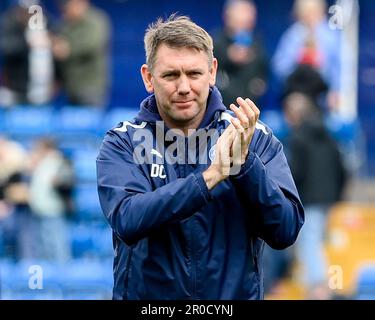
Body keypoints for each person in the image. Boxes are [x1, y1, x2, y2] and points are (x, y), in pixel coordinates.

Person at [96, 15, 304, 300]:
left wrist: (244, 166)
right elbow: (128, 219)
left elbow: (286, 230)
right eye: (171, 75)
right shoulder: (123, 141)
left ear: (212, 72)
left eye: (194, 74)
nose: (184, 87)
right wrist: (210, 177)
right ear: (148, 77)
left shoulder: (253, 137)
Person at [283, 92, 347, 299]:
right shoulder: (329, 135)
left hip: (308, 199)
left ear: (293, 114)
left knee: (309, 241)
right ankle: (314, 284)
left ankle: (319, 289)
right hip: (328, 198)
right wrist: (337, 194)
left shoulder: (298, 138)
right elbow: (342, 168)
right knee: (316, 239)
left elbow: (295, 172)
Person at [272, 0, 341, 111]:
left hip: (322, 96)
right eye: (306, 13)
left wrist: (335, 91)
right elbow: (279, 68)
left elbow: (339, 70)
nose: (310, 17)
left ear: (321, 12)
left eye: (313, 12)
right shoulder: (292, 36)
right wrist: (299, 58)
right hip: (297, 91)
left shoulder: (331, 37)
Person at [51, 0, 111, 107]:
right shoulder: (66, 23)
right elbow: (56, 45)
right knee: (72, 121)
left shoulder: (96, 20)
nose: (67, 9)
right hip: (70, 87)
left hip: (91, 87)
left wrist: (67, 49)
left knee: (91, 121)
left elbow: (91, 45)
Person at [214, 0, 268, 106]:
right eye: (241, 15)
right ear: (228, 17)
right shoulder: (217, 41)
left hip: (251, 105)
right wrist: (228, 57)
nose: (246, 20)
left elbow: (264, 72)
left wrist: (259, 85)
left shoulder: (257, 43)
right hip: (222, 104)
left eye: (249, 16)